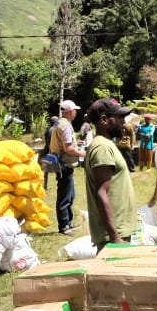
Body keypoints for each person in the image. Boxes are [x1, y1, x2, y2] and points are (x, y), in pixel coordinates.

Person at [84, 98, 139, 249]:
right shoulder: (102, 147)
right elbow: (101, 193)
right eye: (120, 117)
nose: (124, 122)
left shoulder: (107, 144)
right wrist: (114, 237)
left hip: (119, 230)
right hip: (114, 236)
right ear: (104, 120)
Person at [50, 100, 86, 236]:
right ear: (71, 112)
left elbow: (65, 143)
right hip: (64, 164)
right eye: (75, 110)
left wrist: (77, 144)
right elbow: (68, 148)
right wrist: (81, 152)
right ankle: (64, 226)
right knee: (65, 197)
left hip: (61, 163)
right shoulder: (66, 126)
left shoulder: (59, 123)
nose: (76, 112)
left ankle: (68, 223)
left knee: (70, 195)